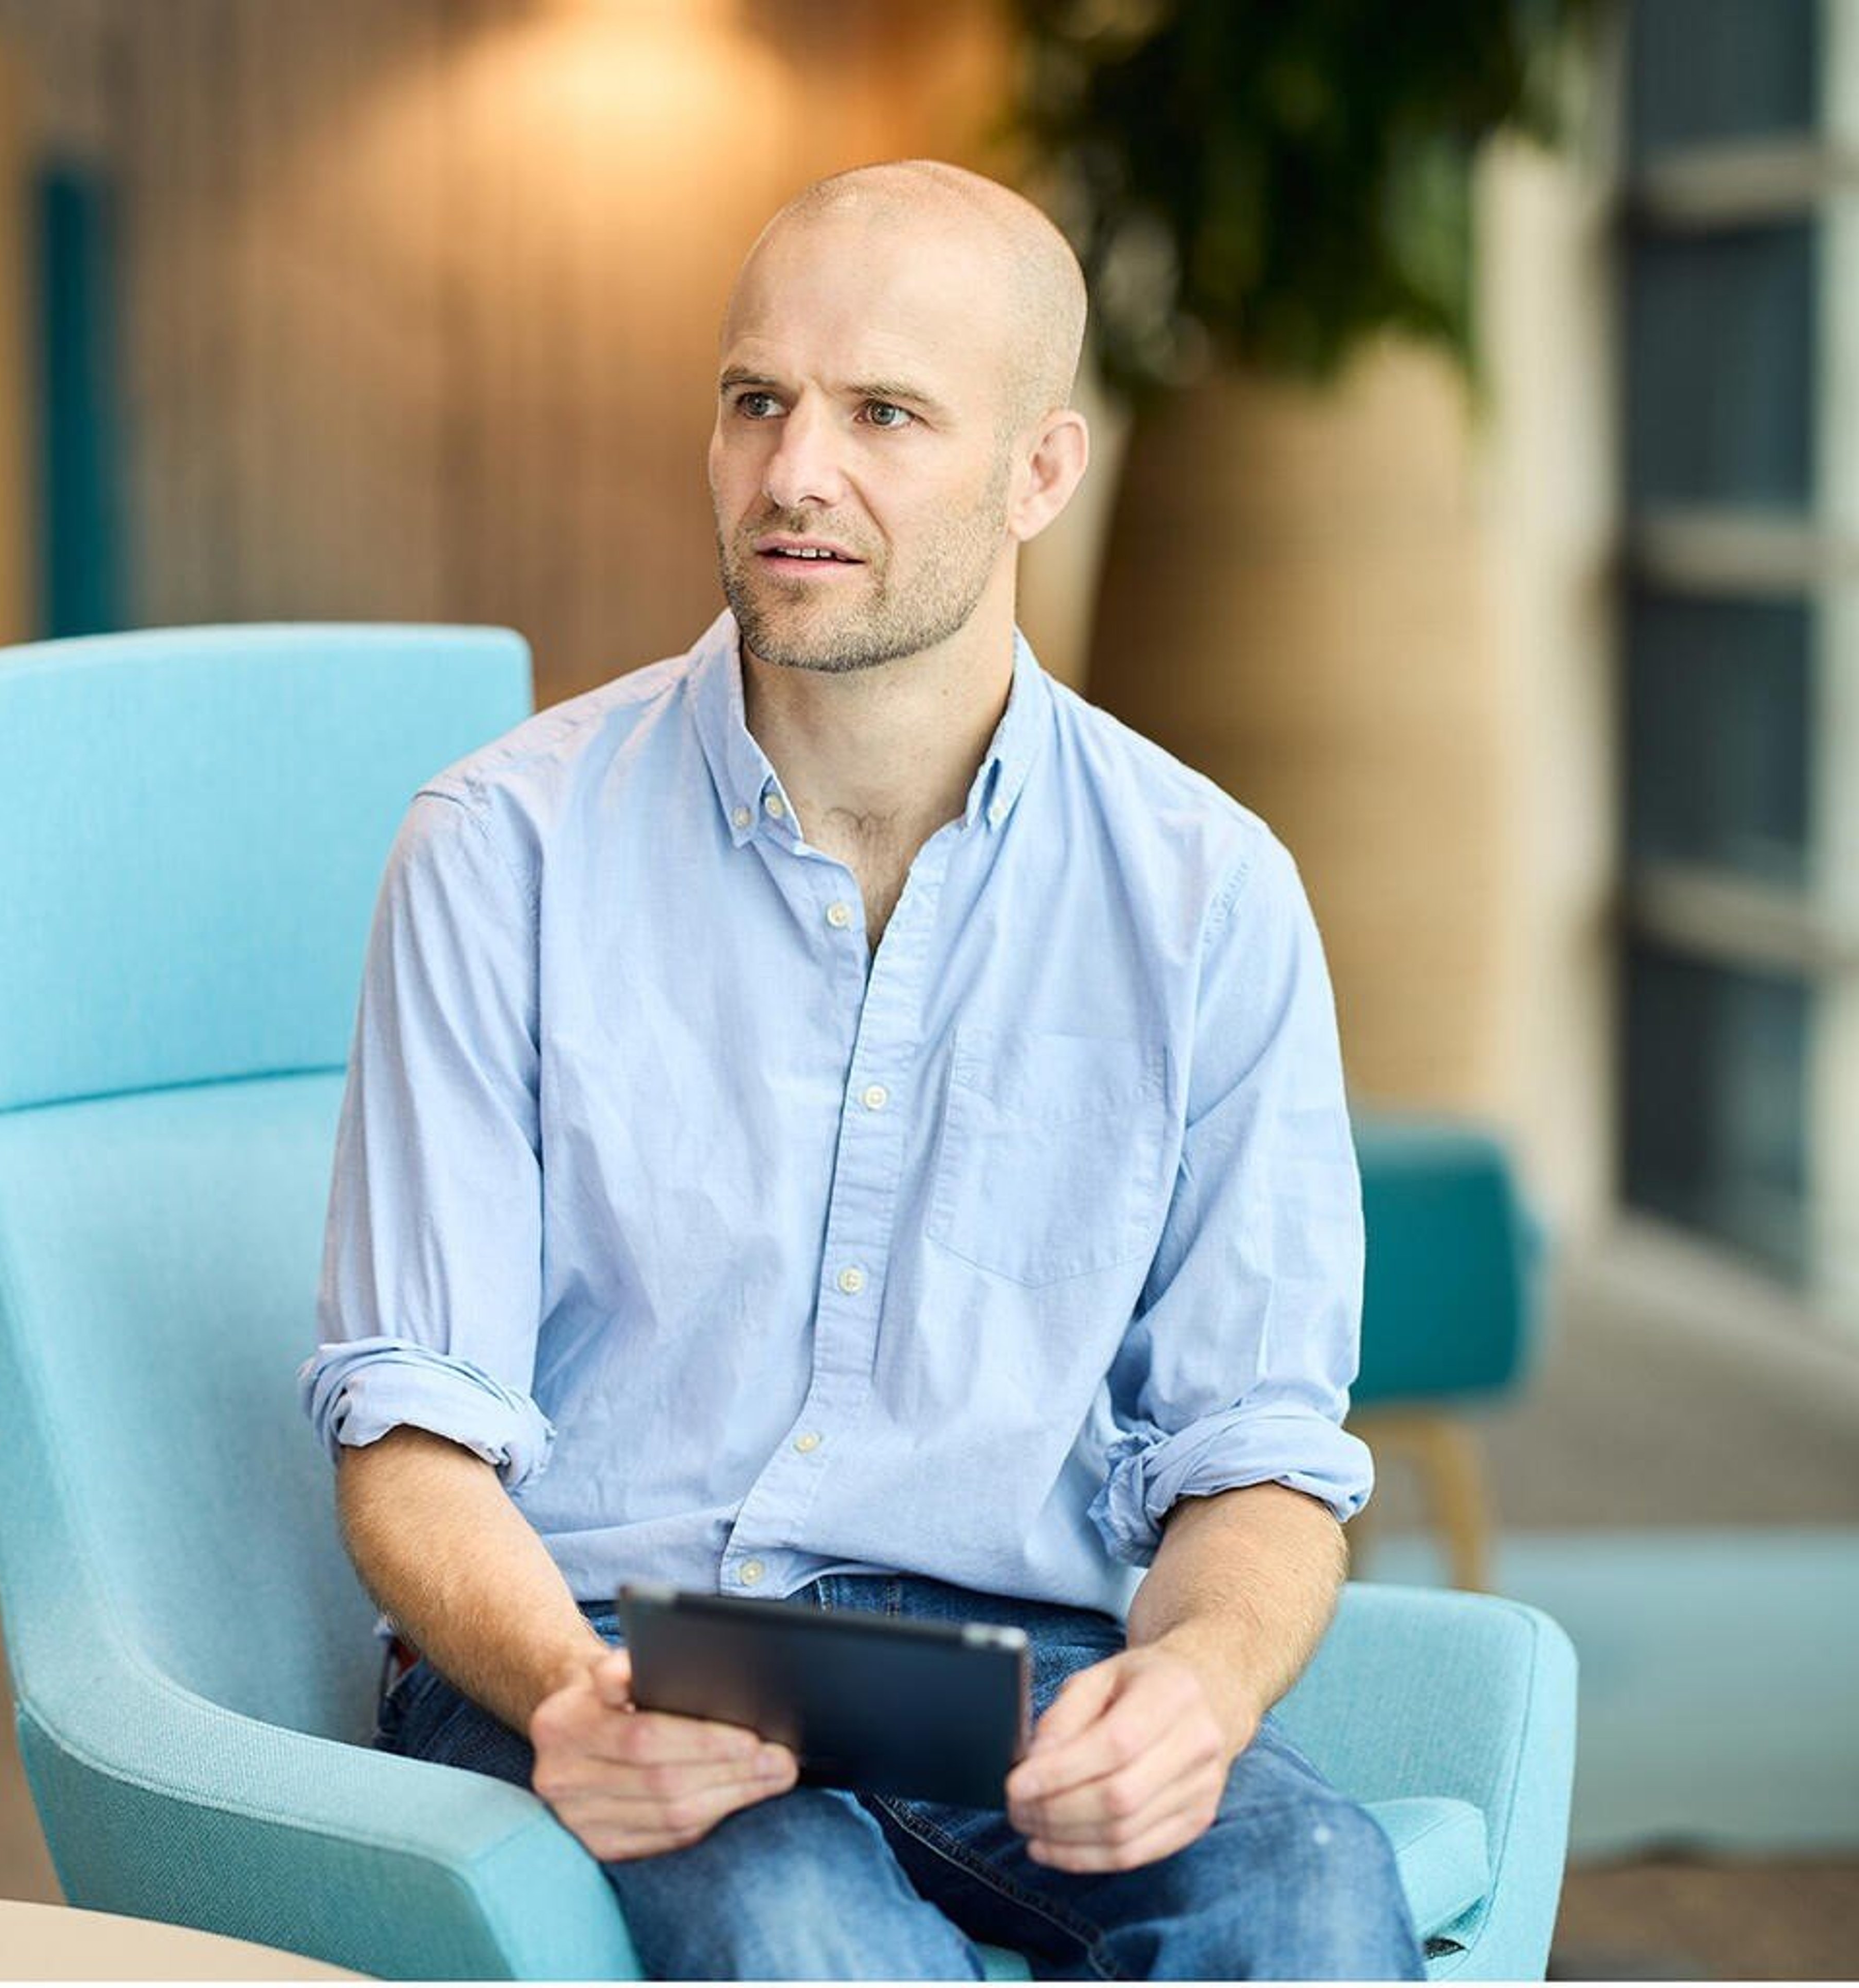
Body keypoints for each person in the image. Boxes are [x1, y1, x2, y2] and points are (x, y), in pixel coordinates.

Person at [299, 158, 1426, 1981]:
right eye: (758, 402)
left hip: (1026, 1671)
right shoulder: (498, 850)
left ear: (1041, 470)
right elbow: (408, 1437)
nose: (792, 474)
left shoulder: (1209, 893)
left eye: (885, 413)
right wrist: (574, 1698)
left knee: (1312, 1898)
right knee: (803, 1926)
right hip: (601, 1648)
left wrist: (1199, 1690)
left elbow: (1261, 1451)